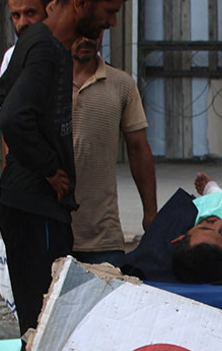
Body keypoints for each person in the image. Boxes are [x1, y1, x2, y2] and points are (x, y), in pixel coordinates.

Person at [0, 0, 133, 335]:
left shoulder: (35, 43)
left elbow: (4, 95)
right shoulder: (46, 50)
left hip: (31, 207)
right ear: (81, 3)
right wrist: (49, 168)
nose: (112, 23)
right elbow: (12, 117)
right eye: (109, 11)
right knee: (42, 328)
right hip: (35, 208)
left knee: (43, 325)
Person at [66, 31, 158, 266]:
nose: (86, 39)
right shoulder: (45, 81)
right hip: (52, 230)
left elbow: (138, 149)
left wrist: (150, 213)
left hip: (102, 236)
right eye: (80, 31)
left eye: (93, 32)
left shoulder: (122, 85)